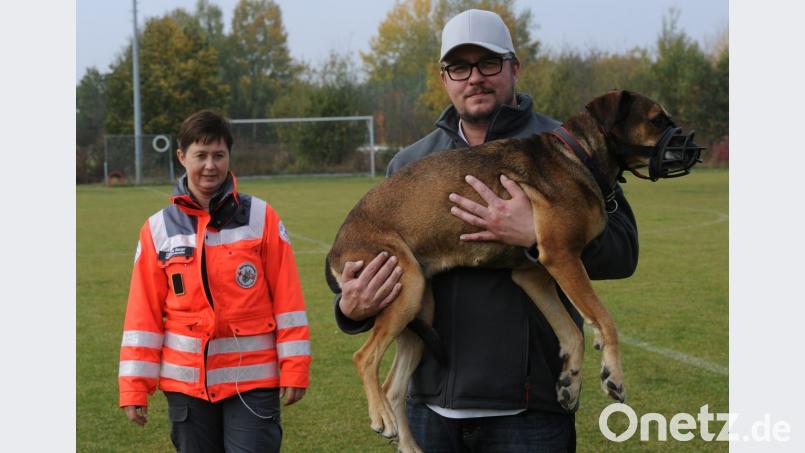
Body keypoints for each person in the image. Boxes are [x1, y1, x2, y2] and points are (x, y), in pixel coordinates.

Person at [334, 9, 638, 452]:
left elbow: (624, 251)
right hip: (430, 410)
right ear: (444, 78)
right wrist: (350, 309)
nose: (474, 77)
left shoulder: (569, 146)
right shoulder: (410, 163)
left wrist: (536, 236)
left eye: (488, 63)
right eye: (460, 67)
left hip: (530, 414)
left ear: (514, 68)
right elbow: (375, 272)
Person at [118, 110, 311, 453]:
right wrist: (134, 385)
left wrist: (295, 367)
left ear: (229, 157)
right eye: (201, 155)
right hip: (186, 387)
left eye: (218, 155)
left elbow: (288, 300)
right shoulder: (157, 230)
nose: (210, 166)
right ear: (182, 157)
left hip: (252, 382)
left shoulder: (261, 218)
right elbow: (142, 316)